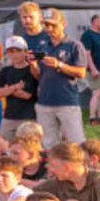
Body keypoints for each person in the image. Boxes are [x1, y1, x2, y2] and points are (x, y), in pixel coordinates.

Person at [29, 9, 88, 147]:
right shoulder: (42, 45)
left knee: (76, 141)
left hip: (67, 101)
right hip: (45, 100)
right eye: (46, 25)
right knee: (49, 143)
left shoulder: (74, 45)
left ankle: (80, 167)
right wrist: (32, 64)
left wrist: (59, 65)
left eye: (53, 25)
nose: (49, 29)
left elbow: (81, 73)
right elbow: (38, 75)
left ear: (63, 23)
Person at [0, 36, 39, 143]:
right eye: (11, 51)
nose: (14, 54)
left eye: (18, 51)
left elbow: (27, 95)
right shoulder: (5, 71)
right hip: (9, 117)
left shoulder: (31, 70)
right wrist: (15, 87)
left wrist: (7, 90)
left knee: (28, 147)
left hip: (29, 117)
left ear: (25, 52)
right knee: (3, 147)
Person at [80, 14, 100, 124]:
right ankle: (92, 118)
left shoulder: (99, 35)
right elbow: (87, 54)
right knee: (96, 93)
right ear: (95, 22)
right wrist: (92, 68)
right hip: (95, 69)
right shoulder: (87, 35)